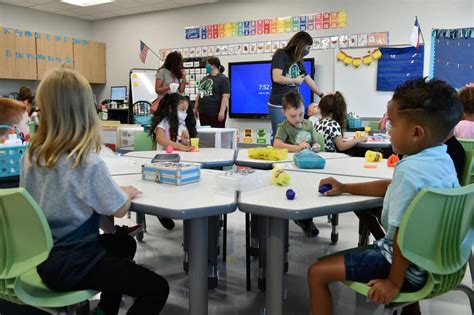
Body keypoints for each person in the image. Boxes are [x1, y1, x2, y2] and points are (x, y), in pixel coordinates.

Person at [20, 67, 169, 315]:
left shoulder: (31, 156)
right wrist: (127, 192)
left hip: (43, 259)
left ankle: (106, 310)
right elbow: (119, 209)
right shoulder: (86, 161)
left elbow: (60, 194)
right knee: (156, 288)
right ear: (84, 111)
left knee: (123, 245)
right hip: (76, 262)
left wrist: (109, 191)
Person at [307, 78, 463, 315]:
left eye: (392, 124)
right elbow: (391, 187)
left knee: (317, 273)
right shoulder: (441, 160)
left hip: (407, 267)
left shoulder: (409, 172)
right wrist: (345, 186)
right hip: (436, 261)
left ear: (416, 133)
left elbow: (403, 236)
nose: (387, 130)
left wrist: (393, 282)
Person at [273, 91, 321, 237]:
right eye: (293, 116)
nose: (297, 119)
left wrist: (316, 145)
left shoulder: (308, 124)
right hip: (290, 167)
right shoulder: (284, 127)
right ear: (284, 113)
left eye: (300, 114)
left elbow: (314, 142)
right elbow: (277, 144)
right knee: (296, 192)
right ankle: (303, 220)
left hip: (307, 165)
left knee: (308, 192)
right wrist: (297, 148)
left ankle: (306, 218)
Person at [268, 31, 324, 141]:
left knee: (295, 138)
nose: (307, 51)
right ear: (301, 45)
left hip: (294, 104)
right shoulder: (281, 55)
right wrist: (294, 80)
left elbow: (308, 80)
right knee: (279, 137)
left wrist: (322, 95)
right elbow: (276, 77)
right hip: (278, 104)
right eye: (307, 48)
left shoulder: (298, 61)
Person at [194, 57, 230, 127]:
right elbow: (199, 94)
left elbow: (225, 96)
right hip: (203, 112)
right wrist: (195, 108)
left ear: (213, 66)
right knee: (206, 136)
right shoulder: (204, 79)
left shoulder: (223, 79)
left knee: (216, 135)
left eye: (207, 64)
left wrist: (222, 111)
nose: (205, 66)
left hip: (215, 113)